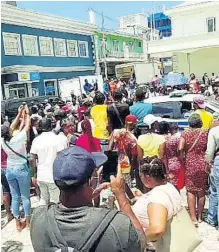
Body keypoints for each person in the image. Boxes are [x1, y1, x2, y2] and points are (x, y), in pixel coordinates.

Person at [30, 146, 142, 252]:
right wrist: (121, 195)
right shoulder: (117, 224)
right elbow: (140, 242)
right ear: (90, 181)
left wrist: (86, 197)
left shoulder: (38, 217)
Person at [110, 157, 181, 251]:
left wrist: (140, 239)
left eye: (141, 176)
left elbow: (157, 230)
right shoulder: (168, 186)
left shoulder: (157, 198)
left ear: (148, 177)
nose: (141, 178)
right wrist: (142, 197)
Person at [1, 105, 31, 231]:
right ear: (9, 131)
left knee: (15, 196)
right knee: (25, 196)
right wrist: (27, 113)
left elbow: (12, 127)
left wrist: (19, 114)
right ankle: (28, 222)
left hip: (10, 169)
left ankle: (18, 223)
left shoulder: (2, 140)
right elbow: (27, 126)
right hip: (21, 169)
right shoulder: (18, 139)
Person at [179, 114, 209, 226]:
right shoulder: (206, 133)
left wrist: (183, 158)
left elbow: (180, 148)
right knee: (201, 191)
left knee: (191, 190)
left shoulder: (185, 133)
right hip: (203, 163)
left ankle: (193, 217)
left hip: (190, 164)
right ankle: (200, 216)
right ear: (200, 122)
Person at [30, 118, 65, 206]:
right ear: (51, 126)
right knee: (55, 201)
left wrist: (34, 174)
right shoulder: (57, 139)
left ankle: (43, 217)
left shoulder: (36, 140)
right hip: (53, 175)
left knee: (43, 199)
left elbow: (32, 158)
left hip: (41, 175)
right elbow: (61, 157)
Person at [108, 115, 138, 188]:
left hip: (114, 161)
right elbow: (133, 155)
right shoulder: (133, 139)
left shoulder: (115, 132)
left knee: (114, 183)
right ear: (134, 125)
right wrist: (133, 168)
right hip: (125, 162)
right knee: (126, 185)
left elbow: (109, 148)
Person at [159, 124, 184, 189]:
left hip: (169, 163)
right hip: (178, 162)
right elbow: (181, 150)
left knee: (170, 186)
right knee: (178, 186)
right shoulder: (178, 138)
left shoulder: (166, 139)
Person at [205, 125, 219, 227]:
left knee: (214, 190)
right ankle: (212, 217)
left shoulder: (215, 131)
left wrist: (208, 163)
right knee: (214, 189)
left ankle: (212, 218)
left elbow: (210, 151)